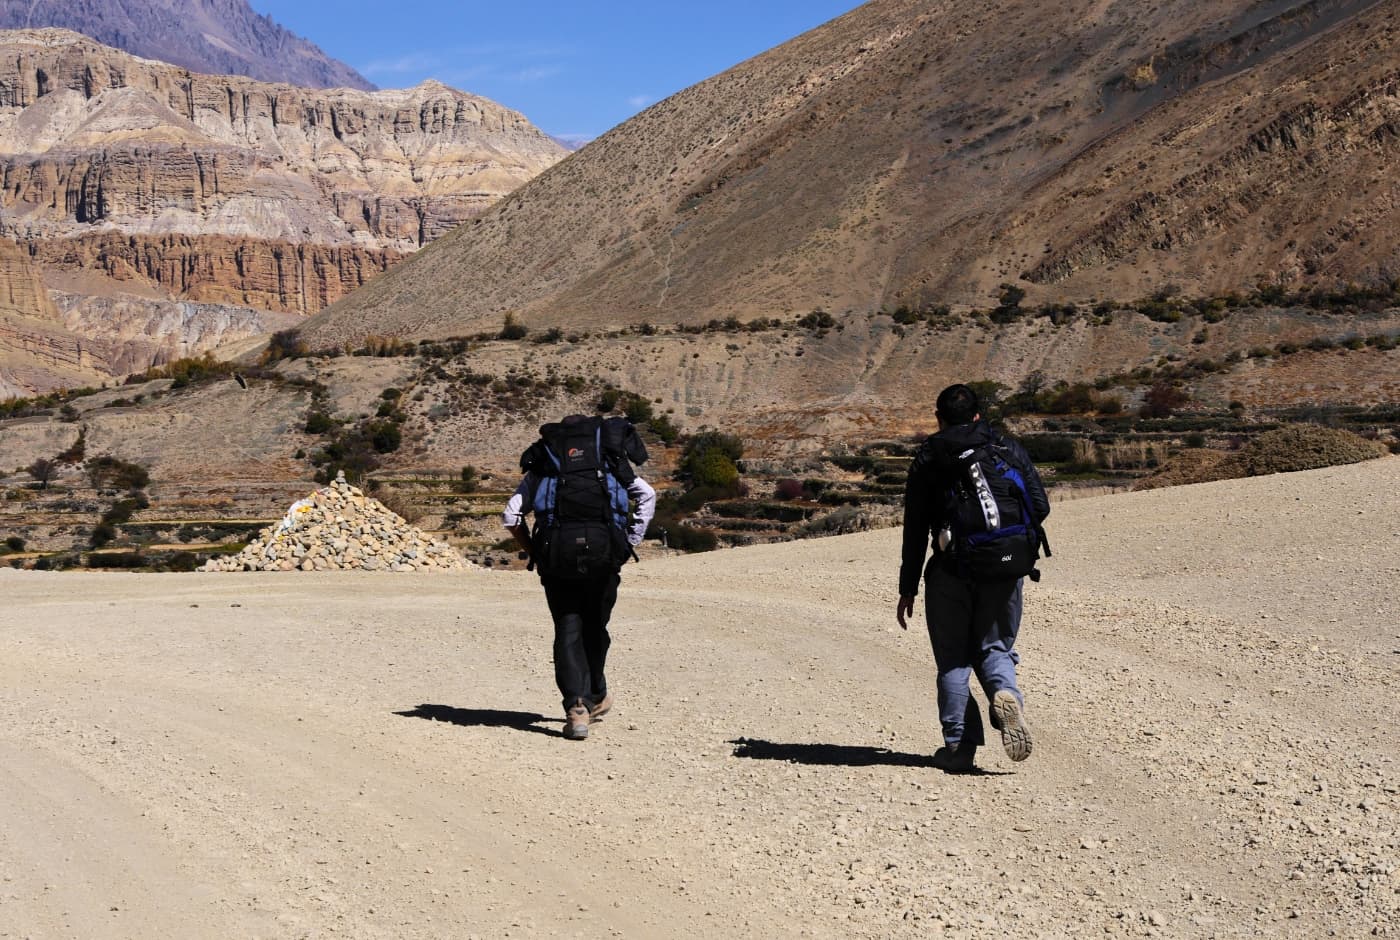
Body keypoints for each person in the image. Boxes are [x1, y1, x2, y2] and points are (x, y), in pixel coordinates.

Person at [896, 384, 1050, 772]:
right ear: (978, 415)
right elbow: (1041, 505)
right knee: (995, 647)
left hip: (953, 569)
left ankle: (959, 748)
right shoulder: (1005, 445)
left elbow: (915, 528)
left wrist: (908, 587)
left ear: (939, 419)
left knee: (953, 660)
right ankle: (1004, 692)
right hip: (1008, 564)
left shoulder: (930, 455)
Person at [503, 415, 656, 741]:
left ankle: (576, 709)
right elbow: (647, 497)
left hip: (557, 563)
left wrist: (535, 553)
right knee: (595, 628)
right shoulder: (609, 459)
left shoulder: (544, 463)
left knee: (568, 629)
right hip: (604, 560)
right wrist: (628, 543)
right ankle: (597, 693)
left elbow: (511, 515)